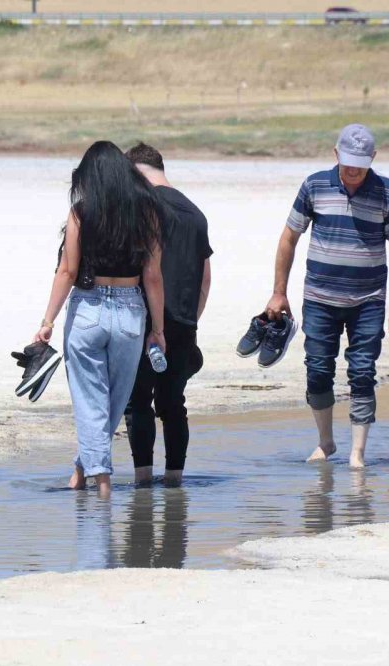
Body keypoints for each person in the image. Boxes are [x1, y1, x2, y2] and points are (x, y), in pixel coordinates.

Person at [265, 124, 389, 468]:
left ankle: (357, 452)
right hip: (319, 298)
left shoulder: (388, 192)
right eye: (347, 162)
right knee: (317, 369)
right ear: (336, 154)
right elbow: (289, 238)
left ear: (372, 158)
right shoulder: (314, 184)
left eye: (360, 163)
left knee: (362, 371)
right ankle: (326, 442)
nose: (353, 170)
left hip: (368, 300)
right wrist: (278, 292)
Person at [34, 140, 165, 497]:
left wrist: (47, 321)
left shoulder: (81, 212)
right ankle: (84, 473)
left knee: (92, 402)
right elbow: (153, 276)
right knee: (113, 402)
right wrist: (158, 329)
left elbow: (67, 270)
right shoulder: (147, 211)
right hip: (129, 312)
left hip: (88, 310)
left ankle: (101, 486)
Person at [123, 142, 213, 487]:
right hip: (184, 322)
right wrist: (191, 319)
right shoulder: (195, 212)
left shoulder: (140, 207)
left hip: (144, 317)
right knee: (173, 403)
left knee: (138, 402)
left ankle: (142, 481)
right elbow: (205, 275)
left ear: (135, 172)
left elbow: (142, 268)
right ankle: (175, 479)